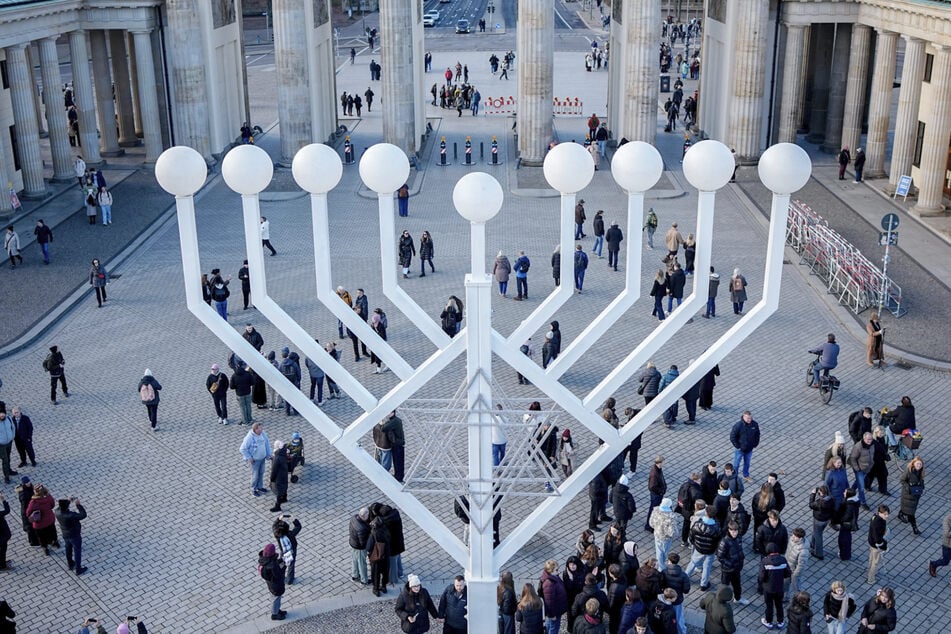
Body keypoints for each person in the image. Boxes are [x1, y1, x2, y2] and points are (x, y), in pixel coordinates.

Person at [684, 506, 721, 591]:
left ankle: (685, 577)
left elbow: (691, 537)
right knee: (707, 567)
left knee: (693, 563)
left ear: (706, 513)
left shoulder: (697, 524)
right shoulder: (717, 528)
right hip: (710, 551)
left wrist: (695, 544)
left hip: (699, 549)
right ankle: (703, 584)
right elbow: (718, 541)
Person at [758, 541, 790, 629]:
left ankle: (769, 621)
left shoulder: (765, 561)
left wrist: (762, 584)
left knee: (769, 605)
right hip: (779, 588)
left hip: (768, 588)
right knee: (779, 604)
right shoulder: (783, 560)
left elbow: (761, 576)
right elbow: (788, 573)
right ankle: (780, 621)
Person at [53, 496, 87, 575]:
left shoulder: (57, 512)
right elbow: (83, 515)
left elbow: (61, 507)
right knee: (77, 551)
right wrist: (78, 505)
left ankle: (70, 563)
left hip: (65, 534)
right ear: (67, 507)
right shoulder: (71, 515)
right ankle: (78, 569)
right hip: (74, 535)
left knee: (68, 549)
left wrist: (68, 501)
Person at [716, 520, 746, 605]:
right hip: (727, 569)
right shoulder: (724, 542)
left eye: (736, 531)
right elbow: (720, 557)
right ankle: (721, 601)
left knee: (737, 585)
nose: (734, 533)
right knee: (724, 586)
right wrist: (730, 564)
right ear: (729, 530)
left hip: (737, 567)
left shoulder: (739, 538)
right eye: (732, 531)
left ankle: (737, 598)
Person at [25, 483, 59, 555]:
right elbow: (52, 505)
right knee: (52, 531)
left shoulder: (33, 502)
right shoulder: (48, 497)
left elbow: (28, 513)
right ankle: (54, 542)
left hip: (39, 524)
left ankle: (45, 548)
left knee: (41, 536)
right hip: (50, 520)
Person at [240, 423, 272, 497]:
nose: (262, 429)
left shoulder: (263, 434)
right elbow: (242, 449)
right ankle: (253, 489)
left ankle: (260, 487)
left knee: (261, 473)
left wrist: (269, 453)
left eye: (261, 428)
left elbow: (267, 444)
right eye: (260, 428)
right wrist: (249, 458)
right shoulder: (249, 438)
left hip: (262, 458)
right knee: (255, 476)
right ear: (255, 429)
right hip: (255, 461)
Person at [258, 543, 287, 620]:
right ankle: (275, 614)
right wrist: (284, 566)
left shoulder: (264, 561)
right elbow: (278, 575)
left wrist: (280, 561)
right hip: (276, 586)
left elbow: (275, 565)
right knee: (276, 599)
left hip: (271, 585)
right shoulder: (272, 565)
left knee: (275, 598)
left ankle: (277, 610)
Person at [540, 559, 568, 634]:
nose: (558, 571)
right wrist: (552, 615)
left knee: (550, 625)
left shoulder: (553, 577)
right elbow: (549, 602)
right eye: (556, 570)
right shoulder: (549, 583)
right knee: (554, 628)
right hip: (555, 611)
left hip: (556, 609)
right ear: (550, 571)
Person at [729, 411, 759, 481]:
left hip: (749, 449)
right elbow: (732, 437)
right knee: (736, 464)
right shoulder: (738, 425)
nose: (749, 420)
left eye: (750, 418)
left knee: (747, 463)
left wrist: (755, 444)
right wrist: (738, 447)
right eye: (748, 418)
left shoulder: (754, 424)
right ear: (743, 417)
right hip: (740, 449)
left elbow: (757, 434)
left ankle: (746, 475)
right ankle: (735, 476)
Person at [898, 456, 924, 535]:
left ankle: (901, 514)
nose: (919, 465)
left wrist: (922, 486)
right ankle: (915, 528)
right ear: (913, 463)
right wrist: (908, 488)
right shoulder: (909, 471)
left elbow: (921, 481)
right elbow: (902, 480)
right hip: (908, 495)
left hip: (915, 495)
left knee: (908, 509)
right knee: (911, 513)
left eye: (920, 464)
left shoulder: (921, 472)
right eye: (917, 464)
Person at [366, 515, 391, 596]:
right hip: (385, 555)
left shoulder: (374, 533)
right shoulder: (386, 531)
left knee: (376, 573)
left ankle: (376, 589)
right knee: (385, 572)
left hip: (376, 557)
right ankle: (384, 586)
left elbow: (369, 547)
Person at [809, 485, 835, 560]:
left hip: (818, 520)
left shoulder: (820, 502)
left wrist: (813, 494)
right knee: (816, 532)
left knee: (818, 536)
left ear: (821, 493)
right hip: (826, 519)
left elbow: (811, 505)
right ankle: (812, 544)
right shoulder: (830, 499)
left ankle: (819, 553)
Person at [866, 505, 889, 585]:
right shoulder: (878, 524)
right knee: (875, 562)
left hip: (871, 542)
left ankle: (869, 571)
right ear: (880, 513)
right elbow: (878, 539)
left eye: (887, 514)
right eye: (885, 514)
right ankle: (871, 579)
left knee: (871, 558)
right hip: (876, 545)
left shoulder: (874, 517)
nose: (887, 516)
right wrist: (883, 546)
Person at [349, 507, 371, 585]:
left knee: (354, 560)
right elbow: (363, 543)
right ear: (364, 517)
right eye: (368, 515)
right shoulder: (362, 529)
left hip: (353, 543)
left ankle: (355, 575)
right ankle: (364, 580)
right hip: (360, 547)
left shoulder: (354, 517)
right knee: (362, 564)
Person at [784, 527, 807, 600]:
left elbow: (801, 566)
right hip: (787, 567)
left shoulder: (803, 551)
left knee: (796, 587)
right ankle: (784, 597)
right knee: (785, 583)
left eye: (795, 537)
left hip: (794, 571)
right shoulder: (791, 539)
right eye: (792, 535)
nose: (792, 537)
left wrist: (795, 574)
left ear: (800, 538)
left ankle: (800, 600)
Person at [269, 440, 289, 512]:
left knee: (279, 490)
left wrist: (272, 478)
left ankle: (278, 506)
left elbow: (274, 470)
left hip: (279, 476)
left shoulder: (277, 458)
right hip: (284, 473)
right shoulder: (284, 452)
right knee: (285, 485)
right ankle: (284, 498)